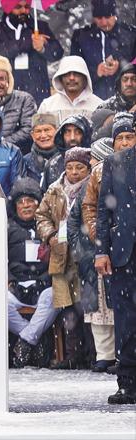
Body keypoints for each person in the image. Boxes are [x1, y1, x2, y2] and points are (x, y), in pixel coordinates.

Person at [35, 147, 92, 369]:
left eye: (79, 167)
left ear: (87, 168)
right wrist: (49, 235)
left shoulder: (92, 187)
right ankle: (71, 355)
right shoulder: (54, 190)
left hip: (84, 255)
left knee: (86, 306)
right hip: (60, 256)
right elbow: (41, 215)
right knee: (66, 308)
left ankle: (91, 355)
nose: (74, 172)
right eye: (70, 167)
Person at [95, 124, 136, 404]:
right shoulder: (114, 161)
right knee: (125, 319)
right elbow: (103, 210)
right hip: (124, 251)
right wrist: (101, 251)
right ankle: (128, 383)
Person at [71, 137, 116, 374]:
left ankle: (118, 355)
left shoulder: (118, 176)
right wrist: (81, 248)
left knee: (116, 308)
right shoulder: (87, 186)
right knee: (96, 309)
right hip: (91, 254)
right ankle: (104, 355)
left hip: (115, 251)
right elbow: (74, 220)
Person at [6, 178, 57, 368]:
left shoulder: (48, 227)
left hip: (43, 285)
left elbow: (58, 259)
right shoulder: (7, 228)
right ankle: (31, 340)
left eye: (30, 201)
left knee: (54, 296)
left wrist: (45, 280)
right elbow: (0, 259)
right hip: (16, 287)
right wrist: (11, 280)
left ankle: (25, 342)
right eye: (21, 202)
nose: (26, 206)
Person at [0, 0, 63, 106]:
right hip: (6, 89)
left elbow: (57, 53)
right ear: (8, 8)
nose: (24, 11)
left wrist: (43, 48)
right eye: (18, 7)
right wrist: (27, 41)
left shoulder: (40, 27)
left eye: (27, 7)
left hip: (37, 90)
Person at [70, 0, 136, 100]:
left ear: (115, 15)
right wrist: (96, 72)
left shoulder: (131, 35)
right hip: (92, 99)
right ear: (93, 17)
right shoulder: (81, 37)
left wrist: (121, 68)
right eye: (99, 18)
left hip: (126, 100)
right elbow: (74, 69)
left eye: (108, 17)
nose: (104, 22)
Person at [38, 56, 103, 122]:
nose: (71, 78)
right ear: (60, 78)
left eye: (76, 74)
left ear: (85, 78)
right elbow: (39, 130)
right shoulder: (47, 106)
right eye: (67, 74)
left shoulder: (98, 106)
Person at [40, 114, 92, 192]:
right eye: (68, 132)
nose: (72, 138)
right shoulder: (53, 164)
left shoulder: (95, 162)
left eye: (78, 132)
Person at [92, 61, 136, 141]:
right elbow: (94, 138)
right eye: (125, 79)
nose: (129, 84)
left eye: (134, 79)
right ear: (119, 83)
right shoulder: (106, 106)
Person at [22, 113, 58, 183]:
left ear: (57, 131)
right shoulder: (25, 162)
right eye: (38, 131)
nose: (43, 135)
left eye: (47, 130)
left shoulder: (65, 158)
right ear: (32, 135)